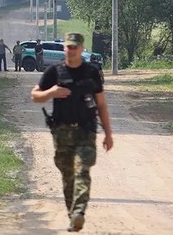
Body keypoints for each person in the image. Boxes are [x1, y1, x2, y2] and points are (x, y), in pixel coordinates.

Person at [30, 33, 113, 232]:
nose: (72, 50)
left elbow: (101, 104)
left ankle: (79, 213)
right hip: (62, 133)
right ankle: (73, 215)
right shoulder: (54, 71)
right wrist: (51, 93)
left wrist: (108, 133)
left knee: (82, 170)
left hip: (86, 131)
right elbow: (35, 95)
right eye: (69, 47)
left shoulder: (91, 73)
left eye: (76, 47)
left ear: (82, 48)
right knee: (68, 177)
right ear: (65, 48)